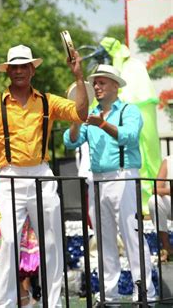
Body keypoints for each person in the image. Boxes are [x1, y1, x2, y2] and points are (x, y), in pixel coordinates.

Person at [0, 44, 89, 307]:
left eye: (25, 66)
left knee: (51, 242)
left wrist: (79, 77)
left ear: (32, 70)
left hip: (41, 175)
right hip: (7, 176)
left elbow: (81, 113)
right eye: (15, 66)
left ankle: (53, 303)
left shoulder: (47, 101)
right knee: (8, 242)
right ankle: (5, 304)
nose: (20, 70)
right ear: (8, 70)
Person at [64, 64, 156, 304]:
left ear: (116, 85)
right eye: (95, 83)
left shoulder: (129, 111)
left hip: (124, 177)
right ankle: (109, 293)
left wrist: (102, 124)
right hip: (97, 180)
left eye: (102, 82)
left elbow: (130, 136)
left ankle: (145, 291)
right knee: (103, 240)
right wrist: (76, 118)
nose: (96, 86)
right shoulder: (90, 113)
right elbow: (71, 142)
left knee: (132, 236)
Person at [148, 155, 173, 262]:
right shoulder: (169, 161)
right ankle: (167, 248)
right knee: (154, 201)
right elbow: (155, 189)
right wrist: (170, 191)